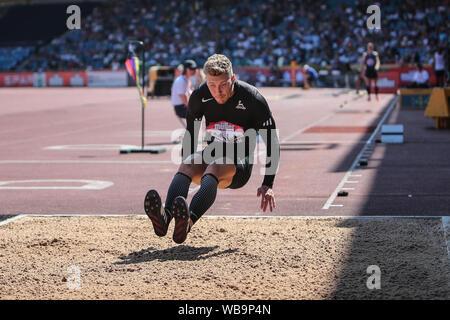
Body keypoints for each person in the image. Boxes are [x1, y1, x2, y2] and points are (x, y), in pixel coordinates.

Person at [144, 54, 280, 244]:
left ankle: (187, 223)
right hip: (211, 158)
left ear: (232, 79)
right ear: (205, 81)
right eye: (212, 85)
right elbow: (191, 135)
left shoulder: (253, 99)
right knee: (188, 164)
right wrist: (189, 167)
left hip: (238, 166)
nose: (218, 91)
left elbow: (272, 141)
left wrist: (268, 183)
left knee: (216, 165)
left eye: (223, 84)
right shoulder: (200, 96)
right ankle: (165, 219)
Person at [170, 59, 197, 129]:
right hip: (180, 108)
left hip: (183, 106)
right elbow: (184, 100)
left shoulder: (187, 80)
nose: (193, 71)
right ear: (186, 70)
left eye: (194, 69)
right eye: (191, 69)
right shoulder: (181, 81)